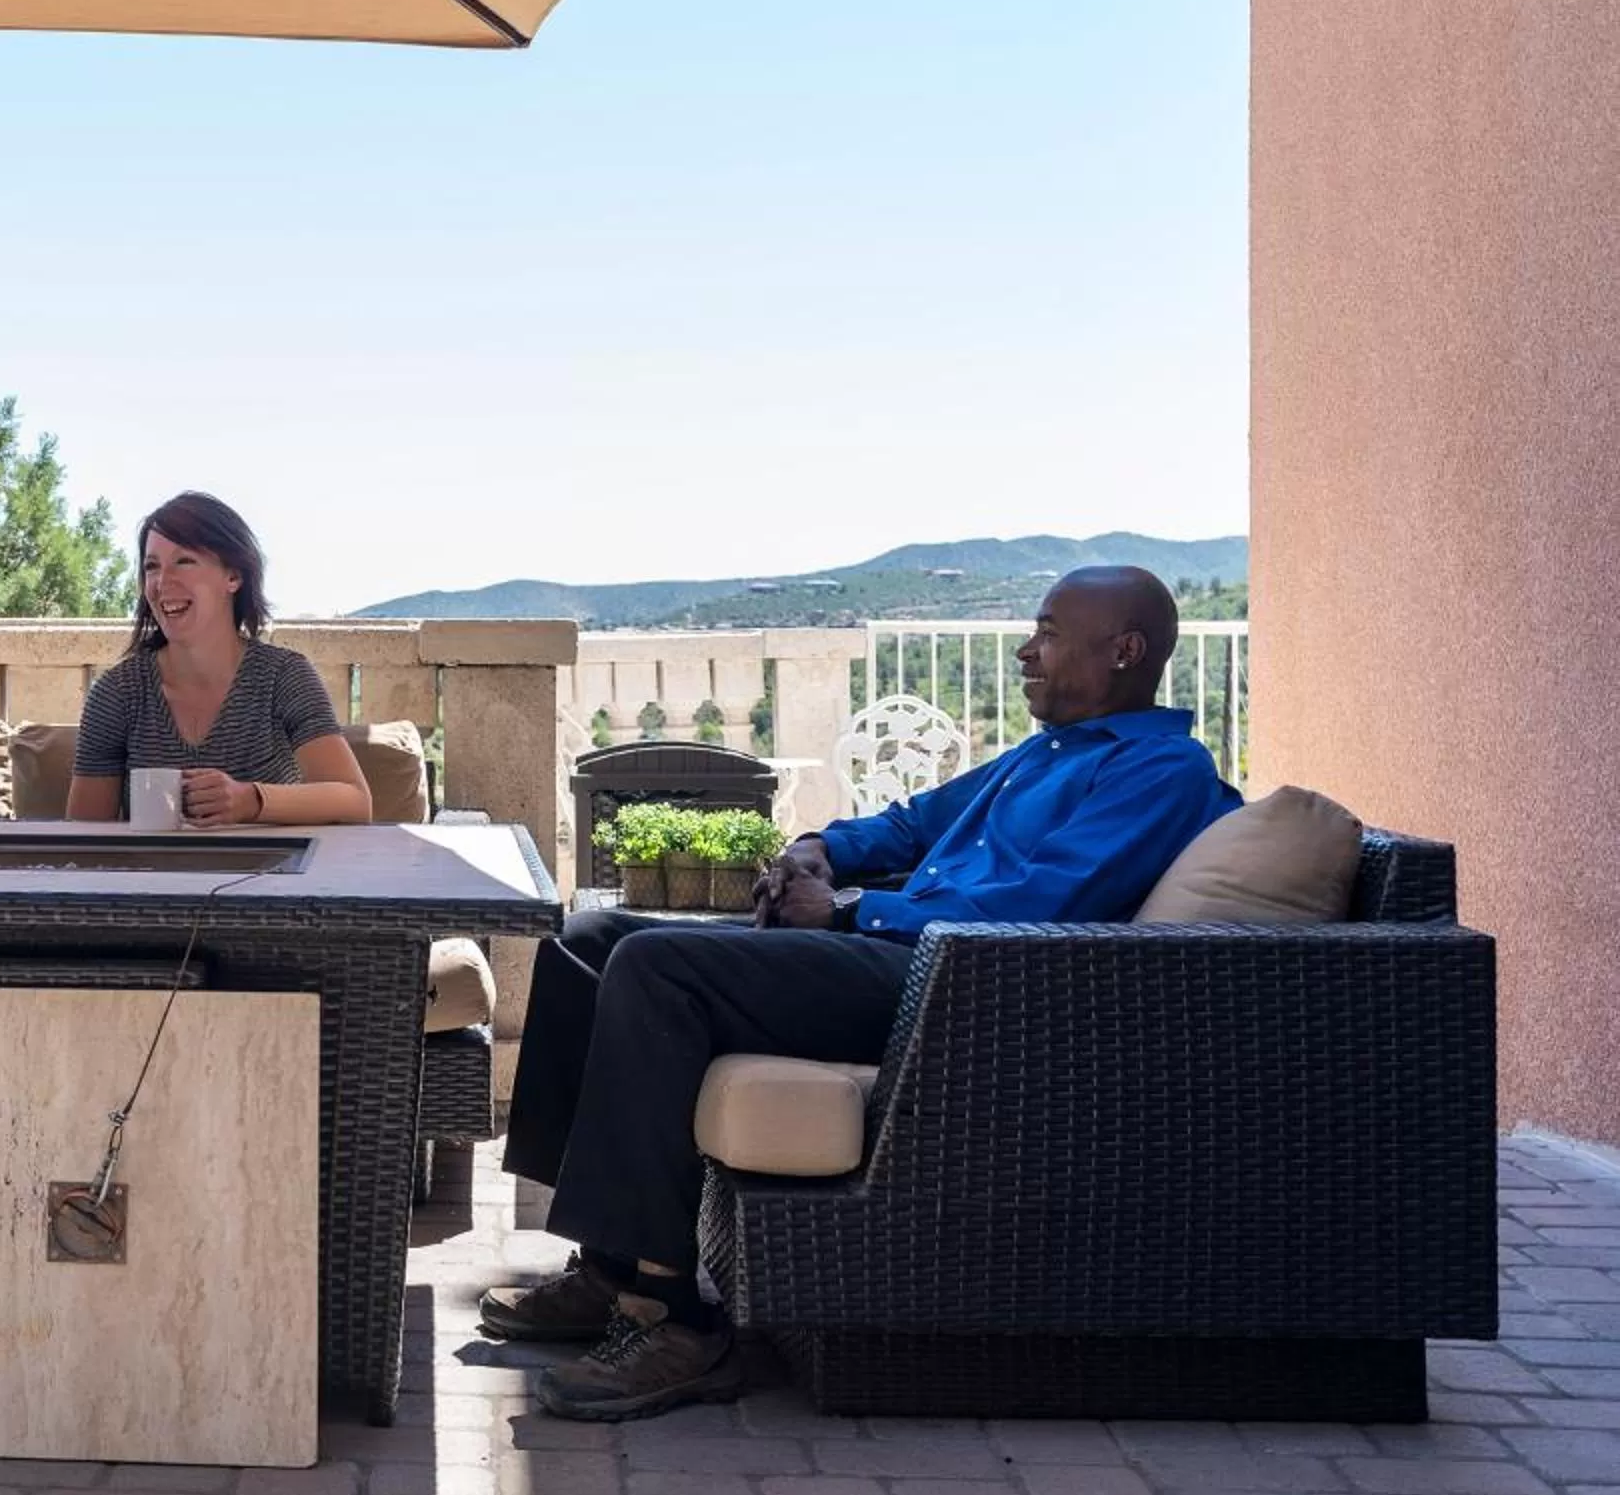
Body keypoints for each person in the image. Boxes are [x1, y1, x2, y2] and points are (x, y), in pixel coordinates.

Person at [485, 566, 1239, 1421]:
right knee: (585, 943)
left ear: (1126, 650)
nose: (1027, 651)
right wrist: (819, 850)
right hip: (901, 950)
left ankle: (677, 1321)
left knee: (659, 968)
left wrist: (847, 913)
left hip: (955, 987)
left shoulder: (1162, 771)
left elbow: (1035, 909)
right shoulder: (1049, 750)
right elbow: (913, 824)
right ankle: (608, 1268)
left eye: (1049, 632)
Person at [67, 491, 371, 827]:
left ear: (233, 576)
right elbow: (84, 837)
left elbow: (355, 801)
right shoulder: (117, 693)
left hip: (273, 876)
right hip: (151, 878)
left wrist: (253, 800)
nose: (162, 582)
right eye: (152, 566)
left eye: (184, 561)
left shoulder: (283, 677)